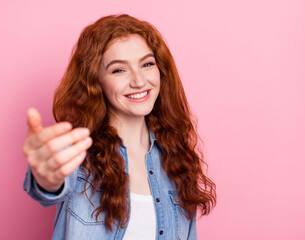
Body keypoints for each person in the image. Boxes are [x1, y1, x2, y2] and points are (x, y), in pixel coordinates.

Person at [22, 14, 216, 240]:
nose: (139, 81)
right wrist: (46, 178)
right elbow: (48, 187)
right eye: (119, 70)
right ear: (97, 81)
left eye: (147, 64)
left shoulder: (176, 156)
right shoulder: (77, 151)